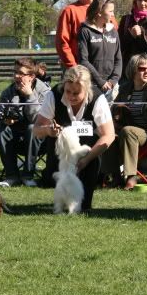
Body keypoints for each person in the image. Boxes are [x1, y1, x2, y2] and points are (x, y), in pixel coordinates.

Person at [34, 65, 115, 212]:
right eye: (67, 91)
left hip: (88, 151)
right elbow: (36, 130)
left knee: (84, 206)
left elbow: (109, 135)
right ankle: (61, 199)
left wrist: (86, 160)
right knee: (54, 179)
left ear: (87, 89)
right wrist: (48, 130)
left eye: (76, 93)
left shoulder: (98, 99)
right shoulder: (53, 95)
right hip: (61, 153)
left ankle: (84, 199)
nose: (71, 96)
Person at [104, 54, 147, 190]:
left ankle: (131, 176)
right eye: (142, 69)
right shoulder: (125, 88)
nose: (146, 72)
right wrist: (118, 110)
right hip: (129, 130)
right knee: (109, 136)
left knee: (128, 131)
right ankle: (115, 176)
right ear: (133, 70)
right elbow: (114, 108)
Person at [0, 57, 50, 187]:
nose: (16, 76)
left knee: (32, 128)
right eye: (15, 72)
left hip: (41, 142)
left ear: (31, 76)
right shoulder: (8, 93)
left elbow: (40, 121)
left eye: (21, 73)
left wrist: (30, 96)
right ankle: (12, 176)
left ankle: (28, 176)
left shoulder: (45, 92)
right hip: (15, 142)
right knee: (0, 128)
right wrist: (4, 121)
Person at [56, 0, 117, 69]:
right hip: (78, 70)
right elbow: (62, 42)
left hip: (104, 69)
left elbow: (115, 39)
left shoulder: (107, 10)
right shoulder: (69, 11)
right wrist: (74, 67)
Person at [77, 0, 122, 99]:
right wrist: (100, 82)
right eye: (110, 11)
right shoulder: (85, 31)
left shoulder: (113, 31)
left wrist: (113, 80)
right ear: (99, 12)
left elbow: (118, 59)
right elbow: (83, 61)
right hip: (91, 85)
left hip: (111, 86)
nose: (113, 14)